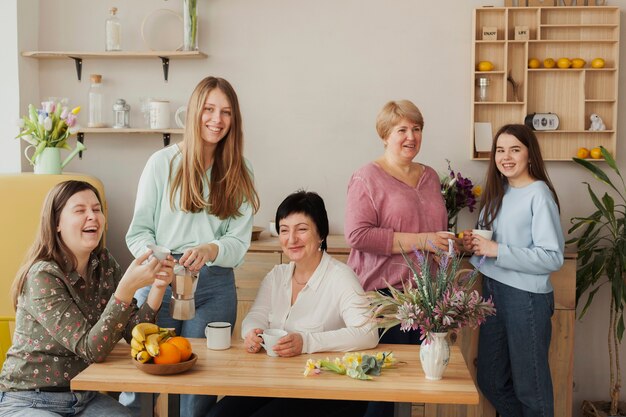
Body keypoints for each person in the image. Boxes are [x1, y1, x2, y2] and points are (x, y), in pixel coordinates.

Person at [124, 76, 259, 417]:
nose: (217, 119)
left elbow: (238, 241)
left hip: (214, 287)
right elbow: (137, 232)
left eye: (226, 112)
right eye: (210, 109)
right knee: (140, 388)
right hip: (160, 282)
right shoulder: (162, 163)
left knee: (197, 392)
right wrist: (159, 258)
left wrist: (211, 249)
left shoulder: (240, 171)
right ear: (195, 111)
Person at [0, 180, 173, 417]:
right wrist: (126, 288)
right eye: (80, 210)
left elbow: (133, 333)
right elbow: (91, 349)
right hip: (29, 399)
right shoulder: (43, 275)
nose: (92, 216)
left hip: (84, 397)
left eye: (96, 209)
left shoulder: (104, 264)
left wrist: (158, 287)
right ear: (57, 223)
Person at [208, 191, 378, 417]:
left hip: (324, 389)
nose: (291, 239)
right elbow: (256, 315)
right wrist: (252, 333)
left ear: (321, 234)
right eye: (285, 230)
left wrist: (306, 342)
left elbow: (368, 332)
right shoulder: (277, 275)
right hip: (275, 380)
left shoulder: (341, 277)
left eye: (302, 229)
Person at [462, 124, 564, 417]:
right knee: (490, 379)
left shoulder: (539, 194)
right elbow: (490, 245)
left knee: (531, 390)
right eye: (500, 150)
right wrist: (474, 244)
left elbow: (552, 257)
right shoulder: (498, 192)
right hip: (492, 294)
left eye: (515, 149)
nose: (506, 157)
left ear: (530, 154)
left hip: (526, 300)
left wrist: (497, 250)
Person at [344, 99, 451, 344]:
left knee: (426, 376)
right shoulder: (366, 177)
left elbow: (434, 230)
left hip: (428, 297)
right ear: (384, 135)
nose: (411, 137)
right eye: (401, 130)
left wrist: (443, 248)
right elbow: (358, 235)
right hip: (384, 299)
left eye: (416, 129)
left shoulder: (430, 176)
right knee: (391, 375)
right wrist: (424, 241)